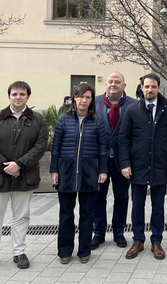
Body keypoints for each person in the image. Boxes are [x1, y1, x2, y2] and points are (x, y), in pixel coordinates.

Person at [0, 81, 48, 273]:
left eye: (22, 94)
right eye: (15, 94)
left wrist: (19, 164)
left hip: (24, 176)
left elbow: (40, 146)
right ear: (9, 96)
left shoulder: (37, 120)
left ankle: (19, 253)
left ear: (28, 96)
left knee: (21, 217)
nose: (18, 97)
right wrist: (6, 167)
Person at [119, 73, 167, 260]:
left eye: (153, 87)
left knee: (158, 207)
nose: (150, 90)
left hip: (160, 166)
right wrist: (125, 164)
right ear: (142, 87)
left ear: (158, 88)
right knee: (137, 205)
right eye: (146, 87)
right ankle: (138, 241)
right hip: (137, 166)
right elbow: (124, 139)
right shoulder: (132, 109)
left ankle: (156, 241)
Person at [50, 83, 108, 264]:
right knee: (66, 214)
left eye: (88, 97)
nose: (84, 100)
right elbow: (55, 148)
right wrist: (54, 170)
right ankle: (65, 251)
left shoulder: (97, 121)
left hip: (89, 173)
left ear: (91, 100)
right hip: (66, 172)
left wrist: (103, 170)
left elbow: (103, 149)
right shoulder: (63, 120)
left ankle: (84, 250)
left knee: (87, 214)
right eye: (81, 96)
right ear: (74, 98)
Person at [91, 72, 137, 250]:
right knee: (98, 197)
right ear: (105, 84)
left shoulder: (133, 105)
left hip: (122, 161)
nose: (113, 84)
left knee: (122, 197)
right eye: (110, 81)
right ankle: (99, 233)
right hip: (99, 160)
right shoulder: (93, 103)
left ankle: (119, 232)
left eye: (117, 82)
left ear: (124, 86)